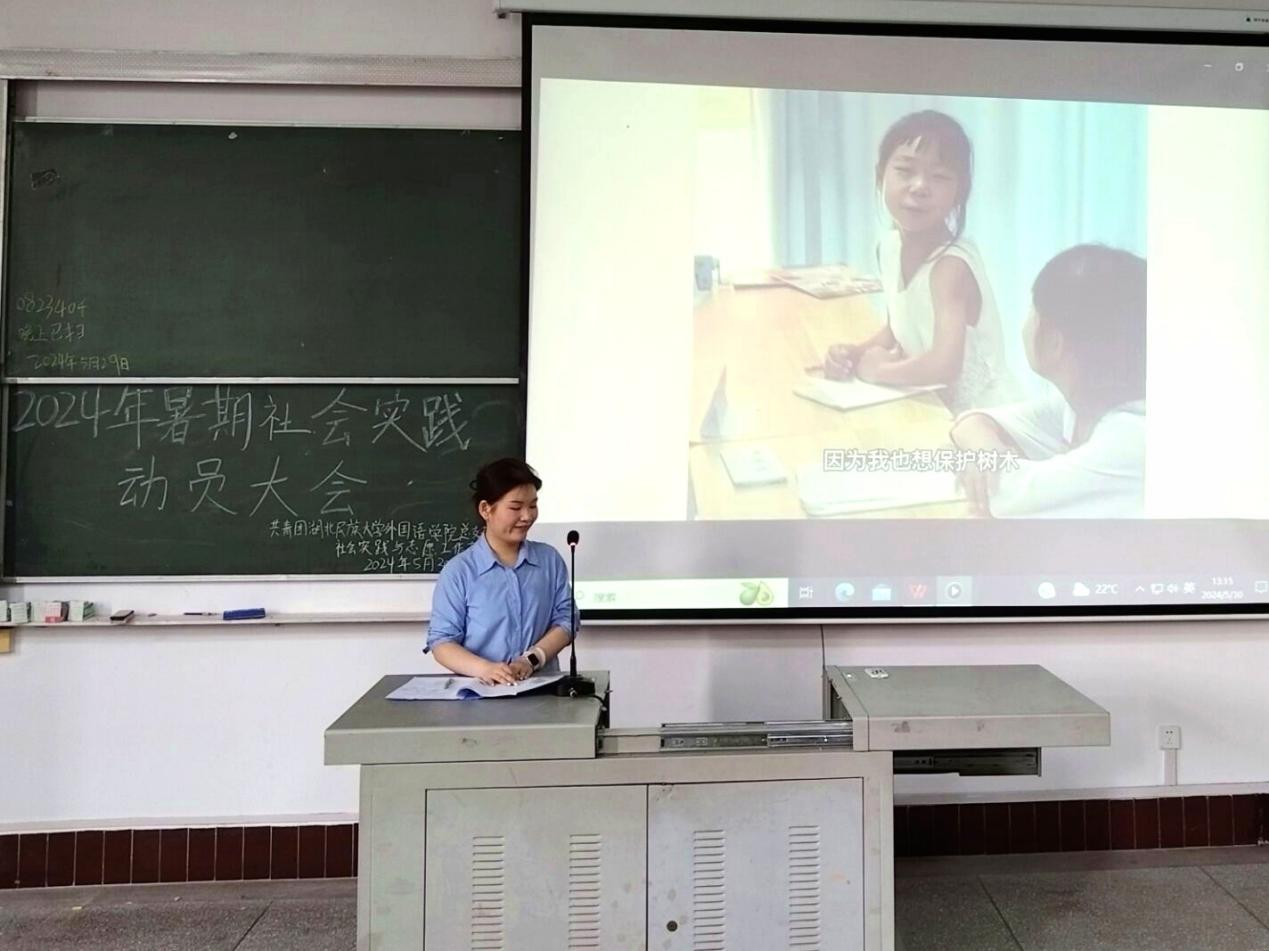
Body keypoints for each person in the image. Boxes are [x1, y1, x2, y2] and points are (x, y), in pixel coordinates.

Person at [825, 110, 1015, 413]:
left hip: (982, 416)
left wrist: (879, 371)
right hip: (928, 403)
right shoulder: (888, 247)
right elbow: (899, 327)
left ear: (960, 192)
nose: (920, 187)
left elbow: (944, 365)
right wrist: (854, 354)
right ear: (880, 176)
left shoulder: (950, 266)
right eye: (905, 171)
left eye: (939, 177)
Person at [949, 244, 1147, 517]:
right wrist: (987, 454)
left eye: (1033, 311)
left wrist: (987, 463)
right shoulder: (1077, 402)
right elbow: (972, 423)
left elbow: (1006, 495)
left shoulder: (1131, 435)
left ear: (1054, 342)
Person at [427, 458, 574, 684]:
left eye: (533, 506)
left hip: (541, 689)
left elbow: (567, 620)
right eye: (515, 507)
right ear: (486, 509)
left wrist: (531, 659)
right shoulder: (459, 572)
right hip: (479, 692)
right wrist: (486, 669)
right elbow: (442, 642)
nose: (527, 516)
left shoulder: (549, 560)